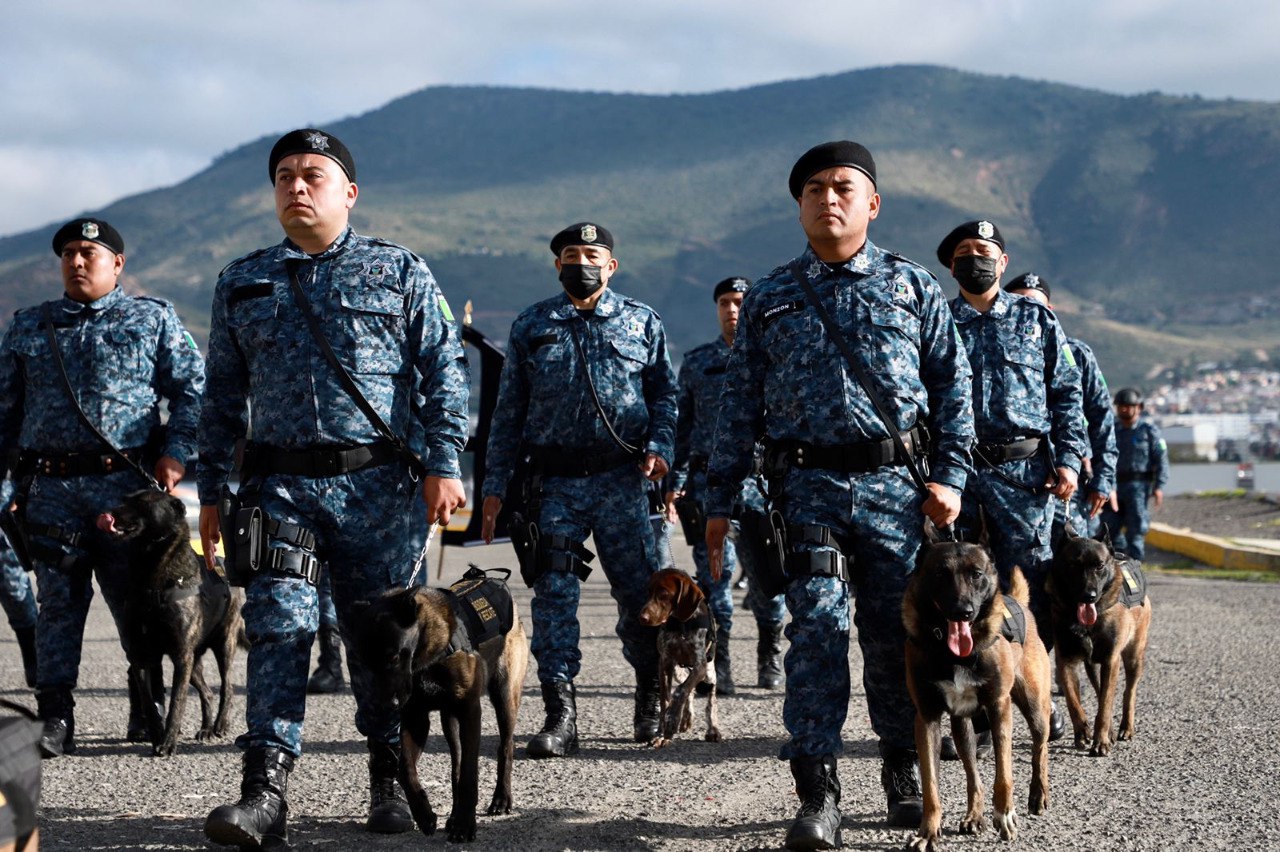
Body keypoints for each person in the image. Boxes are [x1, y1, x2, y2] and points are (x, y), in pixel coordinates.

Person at [198, 129, 469, 849]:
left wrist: (446, 462)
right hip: (279, 487)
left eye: (313, 174)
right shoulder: (243, 280)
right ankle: (264, 792)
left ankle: (389, 778)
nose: (296, 185)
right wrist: (212, 491)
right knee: (279, 626)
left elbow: (443, 371)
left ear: (348, 191)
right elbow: (221, 396)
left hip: (379, 490)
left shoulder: (399, 271)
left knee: (380, 644)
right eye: (283, 175)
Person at [705, 141, 975, 847]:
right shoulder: (769, 297)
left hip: (898, 489)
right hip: (808, 489)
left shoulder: (912, 286)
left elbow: (953, 389)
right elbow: (739, 405)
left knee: (894, 637)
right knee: (818, 632)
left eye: (844, 187)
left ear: (872, 203)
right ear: (799, 205)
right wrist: (718, 502)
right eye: (815, 188)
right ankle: (817, 792)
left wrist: (949, 478)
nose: (830, 198)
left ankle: (903, 773)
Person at [0, 217, 204, 757]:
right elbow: (5, 411)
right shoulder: (29, 327)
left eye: (90, 251)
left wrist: (176, 453)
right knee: (59, 606)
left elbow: (192, 392)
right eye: (68, 252)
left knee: (136, 602)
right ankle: (56, 716)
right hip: (54, 490)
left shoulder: (151, 319)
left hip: (127, 491)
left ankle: (147, 702)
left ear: (117, 263)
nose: (77, 260)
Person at [480, 222, 677, 759]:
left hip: (623, 479)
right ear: (556, 264)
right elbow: (508, 413)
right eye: (571, 254)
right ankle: (560, 714)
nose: (581, 262)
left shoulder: (641, 322)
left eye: (592, 254)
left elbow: (664, 395)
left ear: (611, 265)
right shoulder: (533, 325)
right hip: (556, 484)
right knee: (555, 598)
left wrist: (662, 446)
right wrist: (494, 487)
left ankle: (648, 698)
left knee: (640, 596)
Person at [940, 222, 1088, 746]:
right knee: (961, 592)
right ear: (949, 265)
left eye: (984, 252)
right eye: (964, 253)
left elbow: (1068, 394)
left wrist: (1069, 460)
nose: (974, 259)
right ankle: (976, 711)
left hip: (1025, 478)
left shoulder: (1037, 320)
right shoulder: (936, 322)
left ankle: (1027, 689)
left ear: (1003, 263)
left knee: (1027, 595)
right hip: (957, 474)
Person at [665, 276, 786, 695]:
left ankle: (770, 652)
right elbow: (682, 427)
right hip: (707, 484)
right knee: (713, 579)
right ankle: (720, 661)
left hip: (763, 485)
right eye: (724, 303)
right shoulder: (698, 363)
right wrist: (674, 483)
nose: (732, 310)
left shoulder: (778, 354)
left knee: (769, 579)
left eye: (739, 301)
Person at [1005, 273, 1117, 538]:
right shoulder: (997, 354)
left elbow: (1101, 418)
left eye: (1037, 305)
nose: (1030, 310)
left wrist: (1104, 478)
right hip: (1014, 474)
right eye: (1021, 302)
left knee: (1073, 555)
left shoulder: (1077, 355)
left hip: (1067, 478)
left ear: (1050, 311)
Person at [1099, 387, 1168, 560]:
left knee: (1136, 531)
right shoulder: (1111, 431)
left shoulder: (1148, 431)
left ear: (1139, 407)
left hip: (1138, 488)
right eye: (1121, 406)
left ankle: (1136, 569)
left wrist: (1159, 486)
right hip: (1113, 488)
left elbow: (1161, 459)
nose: (1124, 409)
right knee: (1110, 530)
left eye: (1129, 406)